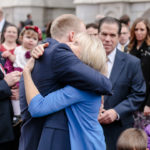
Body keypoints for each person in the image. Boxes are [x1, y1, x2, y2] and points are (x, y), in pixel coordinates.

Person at [19, 14, 112, 150]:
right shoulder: (84, 83)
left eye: (75, 43)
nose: (68, 44)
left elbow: (37, 107)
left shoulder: (79, 89)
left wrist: (26, 72)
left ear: (86, 53)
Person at [97, 16, 146, 150]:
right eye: (104, 34)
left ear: (119, 37)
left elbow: (138, 94)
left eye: (112, 35)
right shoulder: (84, 60)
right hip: (88, 128)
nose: (107, 39)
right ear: (98, 34)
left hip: (119, 132)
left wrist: (116, 112)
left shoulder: (132, 63)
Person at [2, 25, 41, 125]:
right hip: (16, 72)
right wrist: (9, 56)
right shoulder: (17, 49)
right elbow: (15, 60)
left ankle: (21, 113)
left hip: (25, 74)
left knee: (21, 94)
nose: (31, 41)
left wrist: (10, 56)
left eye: (34, 39)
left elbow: (23, 59)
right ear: (21, 38)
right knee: (14, 95)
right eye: (28, 37)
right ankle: (17, 114)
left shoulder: (32, 52)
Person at [127, 17, 150, 129]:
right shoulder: (129, 49)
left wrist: (149, 104)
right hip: (129, 97)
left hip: (145, 99)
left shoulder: (149, 50)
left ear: (147, 31)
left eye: (142, 29)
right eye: (136, 29)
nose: (139, 32)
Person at [0, 52, 21, 150]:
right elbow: (4, 83)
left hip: (10, 126)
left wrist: (18, 92)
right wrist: (5, 84)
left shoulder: (2, 56)